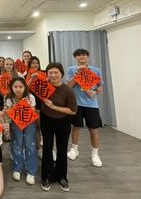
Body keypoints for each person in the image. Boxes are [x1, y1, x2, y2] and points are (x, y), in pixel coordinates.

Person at [40, 63, 77, 192]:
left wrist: (54, 107)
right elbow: (27, 91)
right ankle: (46, 176)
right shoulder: (44, 87)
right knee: (47, 147)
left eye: (56, 72)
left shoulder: (67, 90)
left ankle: (62, 177)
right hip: (46, 120)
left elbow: (73, 111)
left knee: (62, 149)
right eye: (50, 73)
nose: (53, 75)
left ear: (61, 74)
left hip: (63, 121)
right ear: (47, 74)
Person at [66, 48, 104, 167]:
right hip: (76, 104)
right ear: (75, 58)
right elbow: (69, 86)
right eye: (78, 55)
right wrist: (78, 74)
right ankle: (74, 149)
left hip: (92, 104)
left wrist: (96, 92)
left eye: (83, 55)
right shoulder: (71, 70)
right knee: (76, 127)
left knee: (93, 129)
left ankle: (95, 154)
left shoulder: (95, 70)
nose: (81, 57)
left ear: (87, 57)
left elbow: (100, 85)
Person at [5, 77, 37, 184]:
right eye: (15, 87)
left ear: (24, 87)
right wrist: (14, 108)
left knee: (30, 145)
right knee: (17, 144)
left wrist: (26, 105)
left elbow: (32, 113)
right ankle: (17, 168)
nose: (18, 89)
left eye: (20, 87)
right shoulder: (9, 98)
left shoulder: (30, 97)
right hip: (15, 123)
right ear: (12, 88)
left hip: (29, 123)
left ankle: (31, 171)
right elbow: (8, 113)